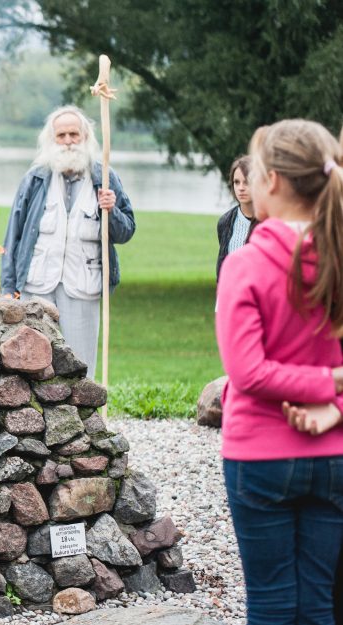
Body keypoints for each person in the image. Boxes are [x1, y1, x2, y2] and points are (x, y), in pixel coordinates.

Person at [216, 119, 343, 625]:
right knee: (317, 603)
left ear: (270, 182)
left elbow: (247, 373)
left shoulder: (245, 264)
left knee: (270, 602)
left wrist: (326, 385)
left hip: (261, 455)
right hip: (334, 452)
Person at [1, 105, 135, 378]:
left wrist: (112, 211)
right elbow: (13, 235)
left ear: (85, 138)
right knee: (30, 360)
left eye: (74, 134)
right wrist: (8, 286)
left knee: (80, 364)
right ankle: (33, 419)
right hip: (36, 284)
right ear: (52, 140)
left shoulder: (105, 177)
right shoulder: (35, 178)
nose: (68, 141)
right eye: (61, 135)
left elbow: (126, 231)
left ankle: (85, 418)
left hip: (83, 285)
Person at [216, 155, 256, 281]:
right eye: (236, 182)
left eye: (247, 182)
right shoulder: (225, 222)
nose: (241, 188)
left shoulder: (270, 221)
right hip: (230, 295)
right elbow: (222, 267)